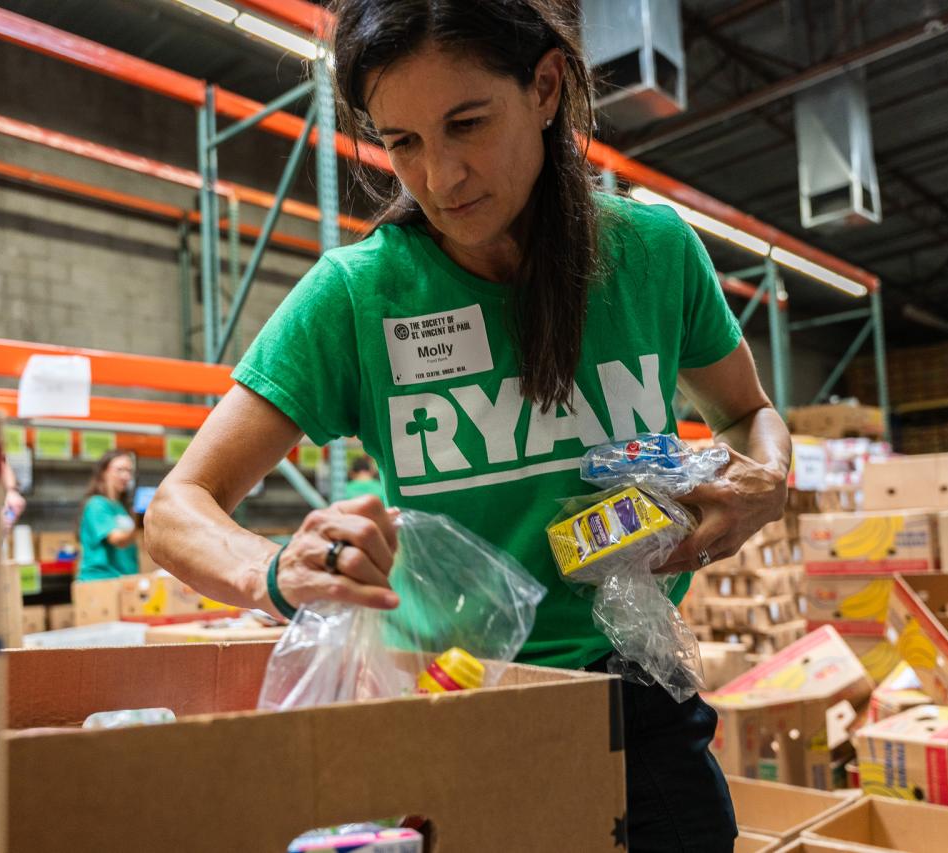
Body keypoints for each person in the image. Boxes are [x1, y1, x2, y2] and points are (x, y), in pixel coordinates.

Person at [146, 1, 790, 849]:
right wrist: (276, 570)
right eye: (401, 141)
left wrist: (767, 482)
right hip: (449, 704)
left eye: (467, 123)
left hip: (640, 708)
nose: (440, 176)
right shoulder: (356, 297)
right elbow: (175, 507)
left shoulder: (655, 254)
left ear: (546, 86)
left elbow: (748, 411)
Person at [77, 450, 139, 581]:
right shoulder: (96, 505)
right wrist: (140, 523)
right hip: (101, 581)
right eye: (120, 470)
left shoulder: (121, 508)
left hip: (124, 579)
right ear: (103, 472)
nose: (126, 476)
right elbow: (117, 539)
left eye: (129, 471)